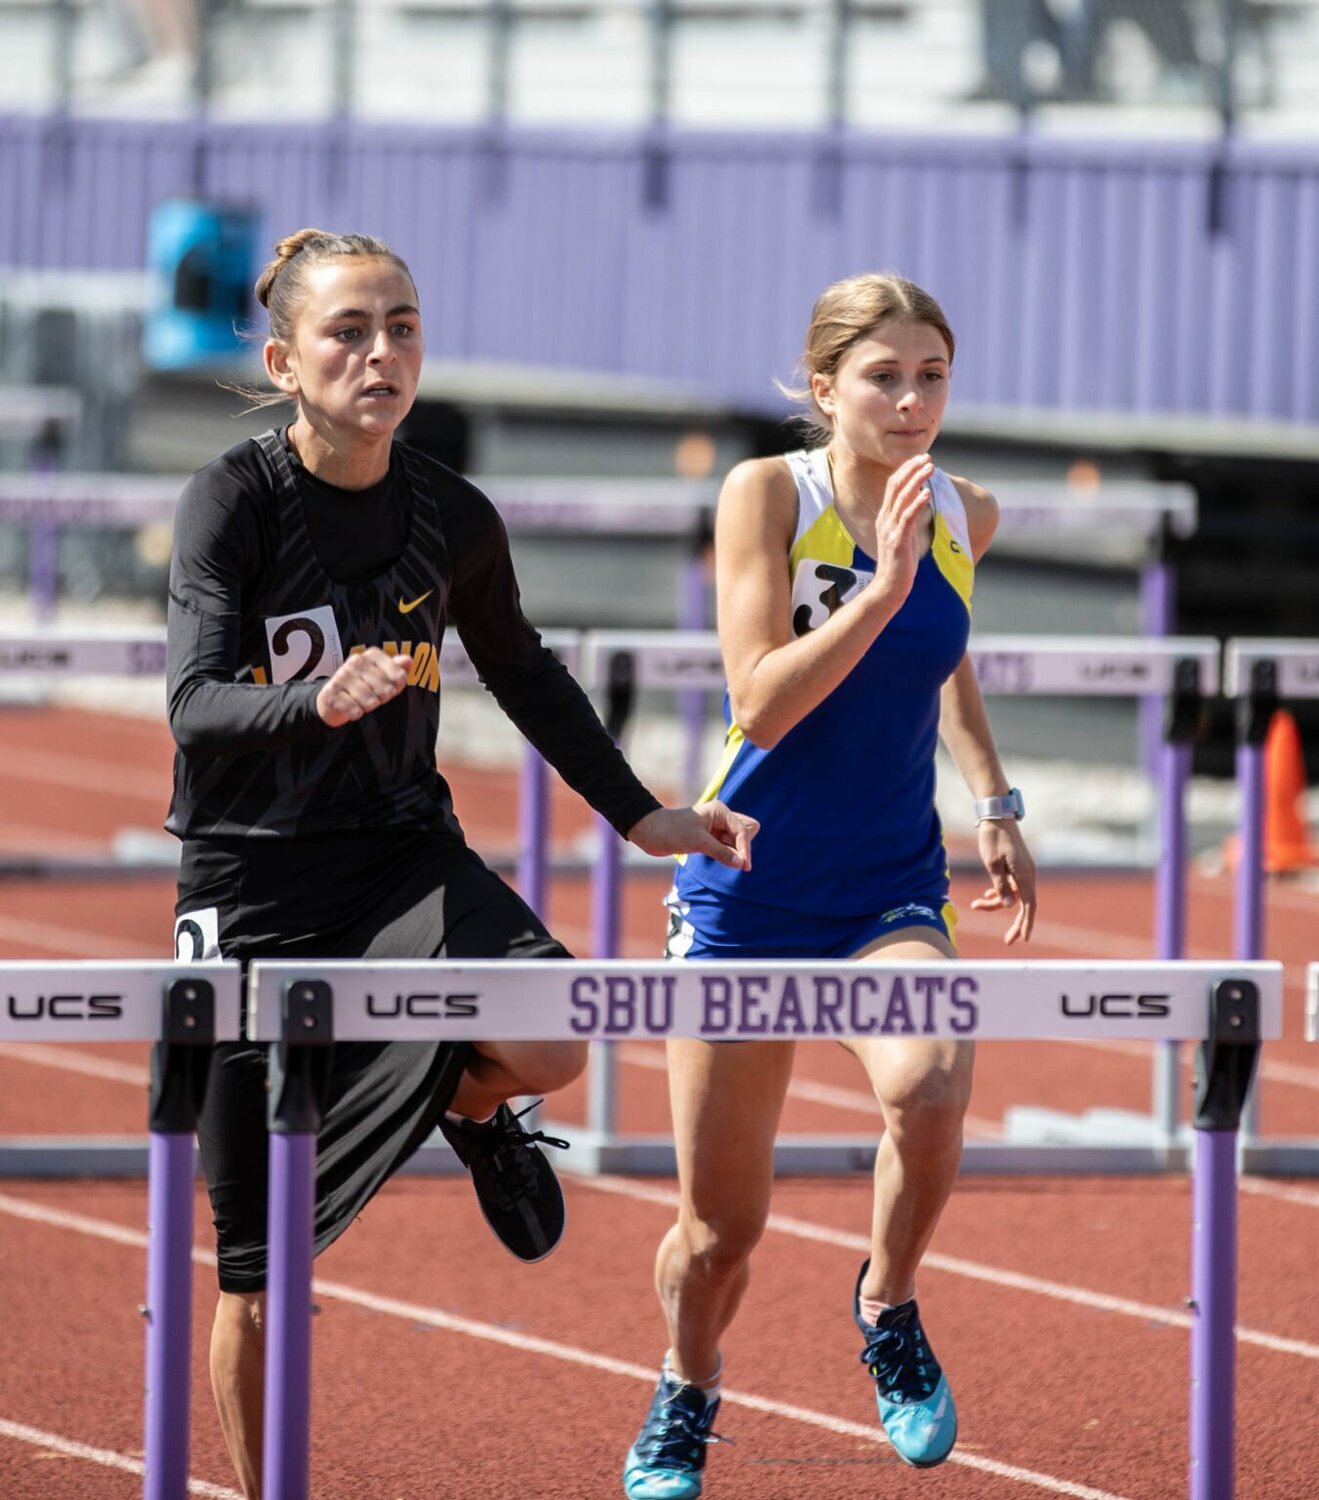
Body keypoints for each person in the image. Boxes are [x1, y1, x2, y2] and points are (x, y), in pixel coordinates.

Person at [165, 227, 759, 1499]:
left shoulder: (450, 515)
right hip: (251, 883)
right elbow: (195, 707)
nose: (382, 354)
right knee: (257, 1277)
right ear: (284, 358)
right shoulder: (233, 499)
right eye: (349, 332)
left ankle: (473, 1105)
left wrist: (643, 816)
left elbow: (526, 673)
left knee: (553, 1036)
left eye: (403, 328)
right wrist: (314, 703)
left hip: (398, 858)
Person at [622, 273, 1037, 1498]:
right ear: (822, 390)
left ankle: (886, 1301)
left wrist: (994, 799)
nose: (912, 403)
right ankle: (687, 1384)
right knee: (717, 1236)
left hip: (886, 887)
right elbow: (756, 696)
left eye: (931, 377)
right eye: (883, 377)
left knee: (929, 1081)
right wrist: (882, 584)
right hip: (747, 887)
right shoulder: (765, 495)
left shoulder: (966, 510)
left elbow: (941, 663)